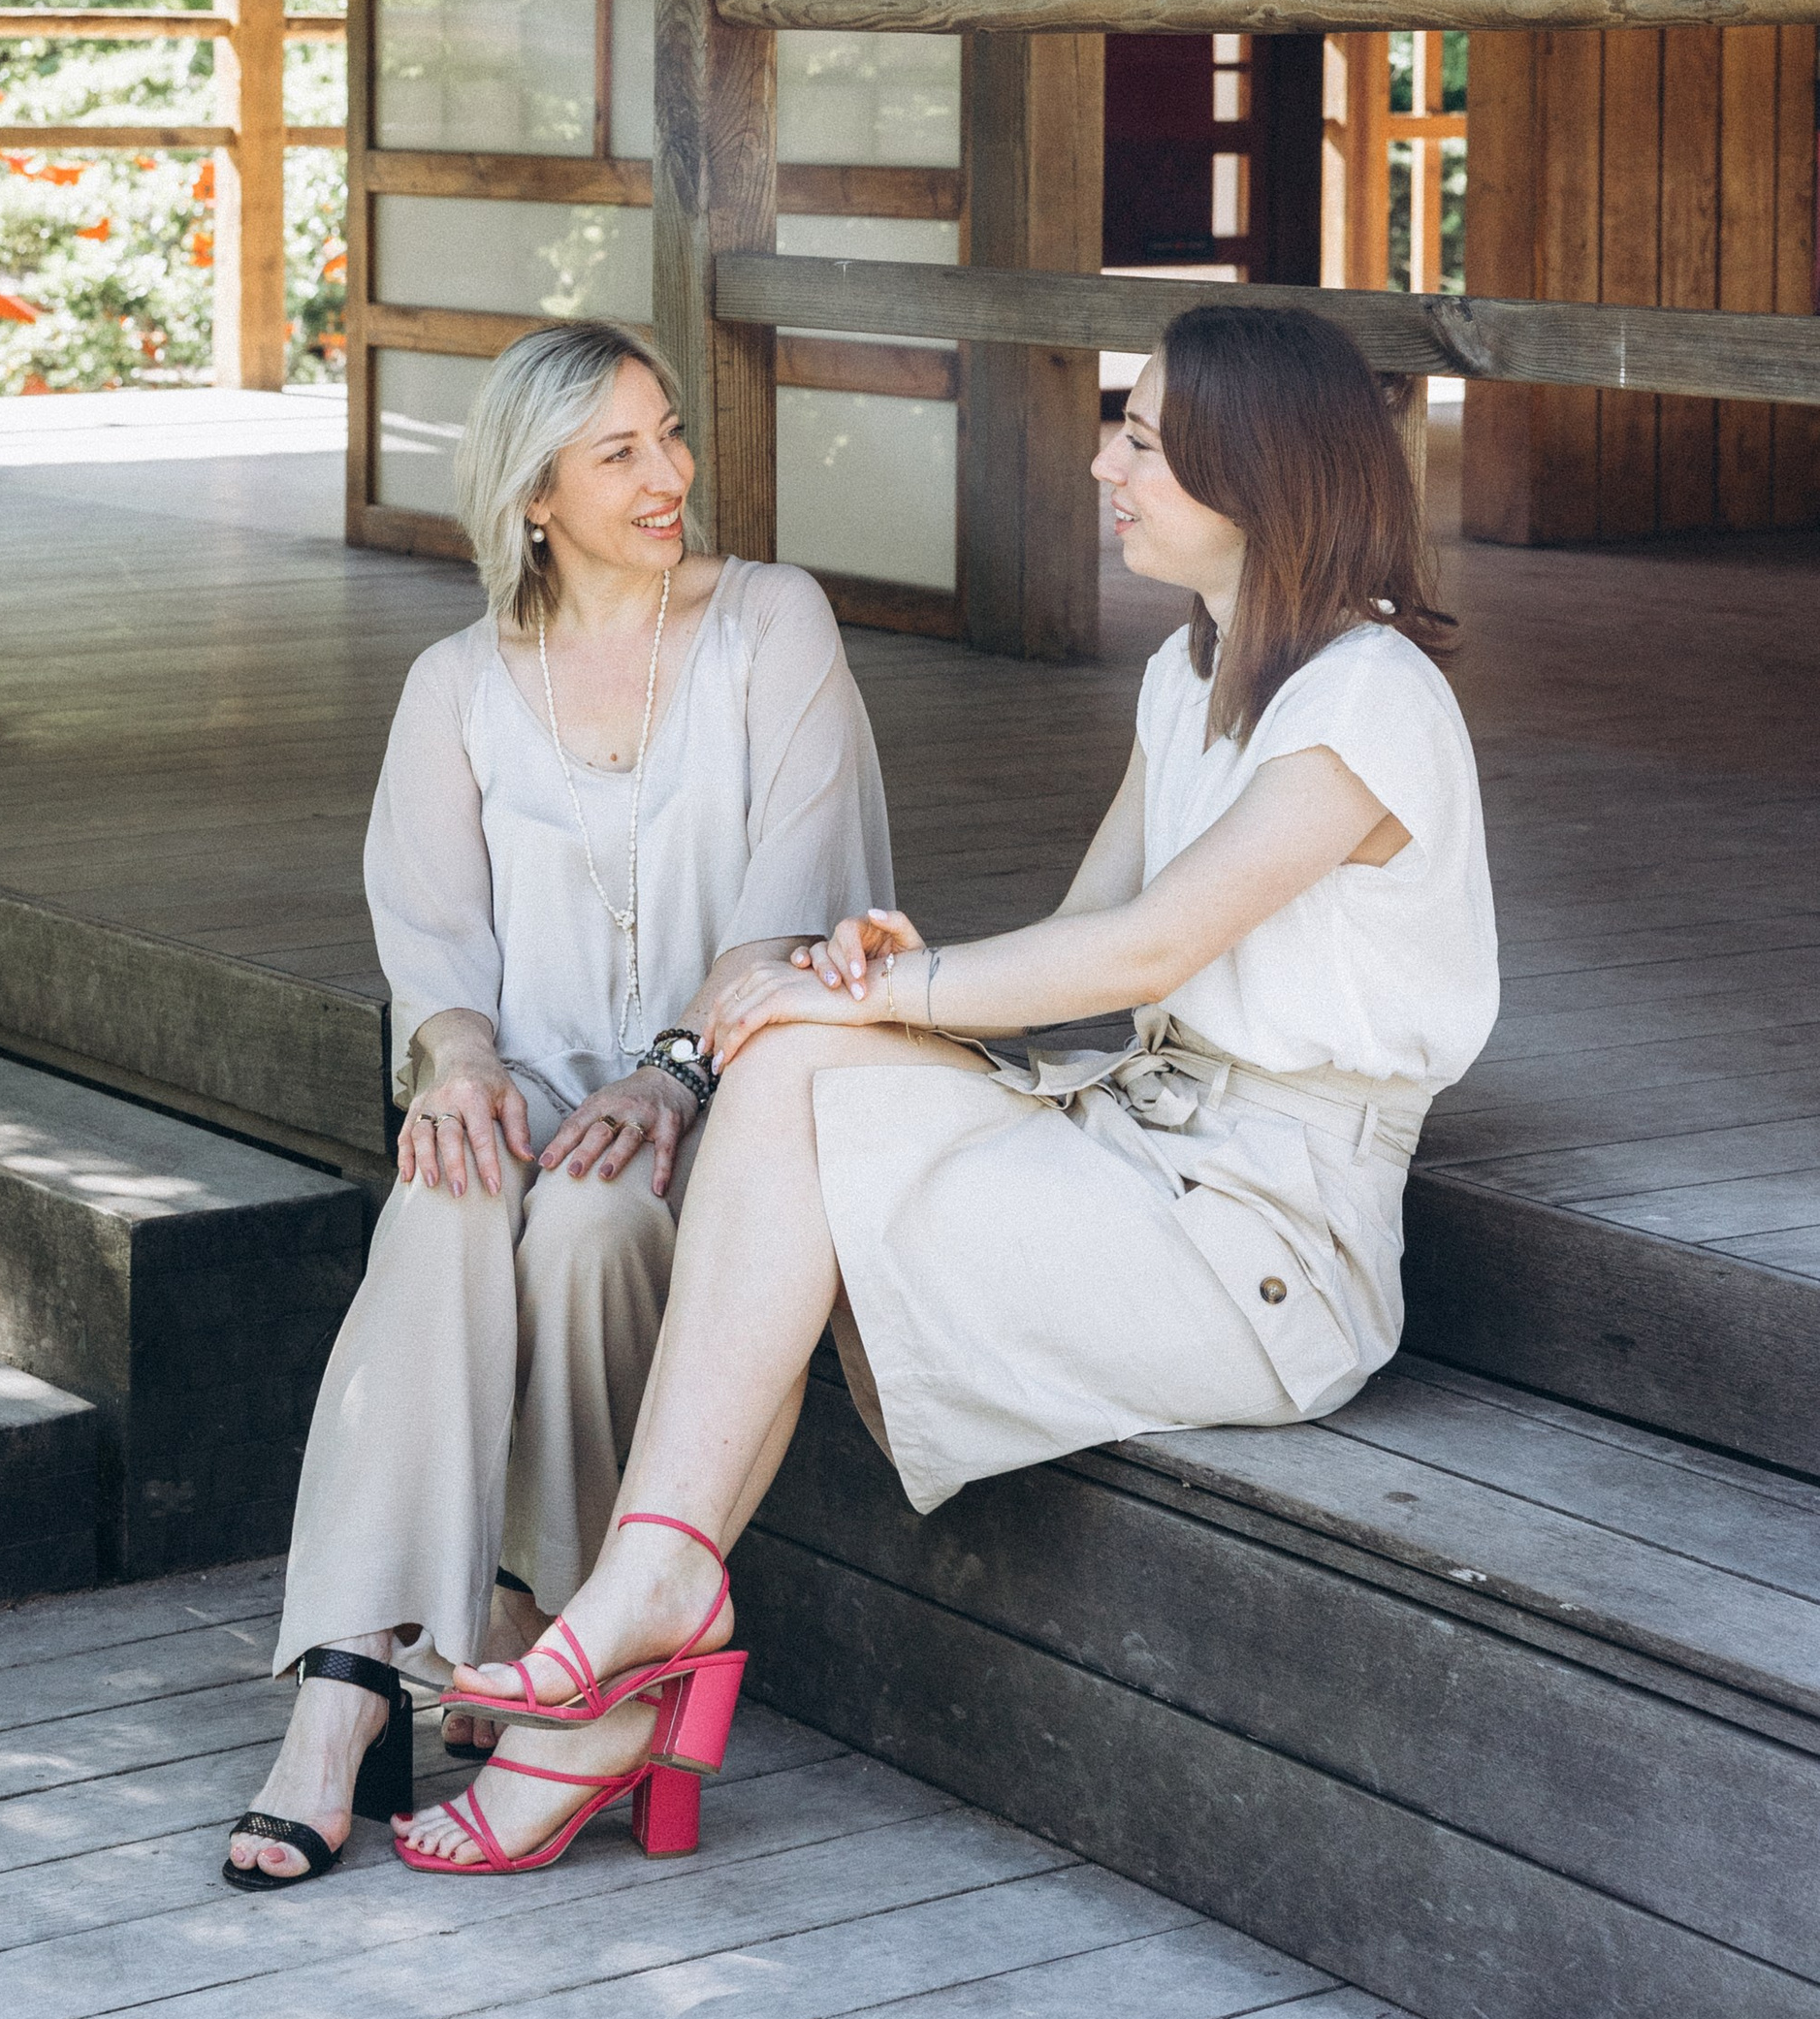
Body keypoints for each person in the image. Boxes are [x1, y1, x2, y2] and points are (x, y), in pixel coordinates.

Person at [408, 299, 1497, 1870]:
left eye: (1142, 438)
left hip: (1269, 1243)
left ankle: (629, 1638)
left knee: (793, 1063)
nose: (1105, 464)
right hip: (1139, 1150)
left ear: (1256, 475)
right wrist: (872, 983)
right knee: (787, 1061)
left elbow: (1146, 948)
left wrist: (869, 989)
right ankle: (655, 1580)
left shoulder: (1368, 696)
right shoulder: (1191, 675)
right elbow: (1077, 936)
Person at [224, 316, 892, 1887]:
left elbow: (800, 888)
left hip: (740, 1082)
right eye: (622, 453)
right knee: (453, 1189)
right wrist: (456, 1058)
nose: (671, 475)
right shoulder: (457, 683)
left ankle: (575, 1642)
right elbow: (432, 929)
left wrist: (674, 1073)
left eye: (670, 435)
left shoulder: (771, 621)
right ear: (533, 497)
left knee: (595, 1219)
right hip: (533, 1083)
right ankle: (347, 1685)